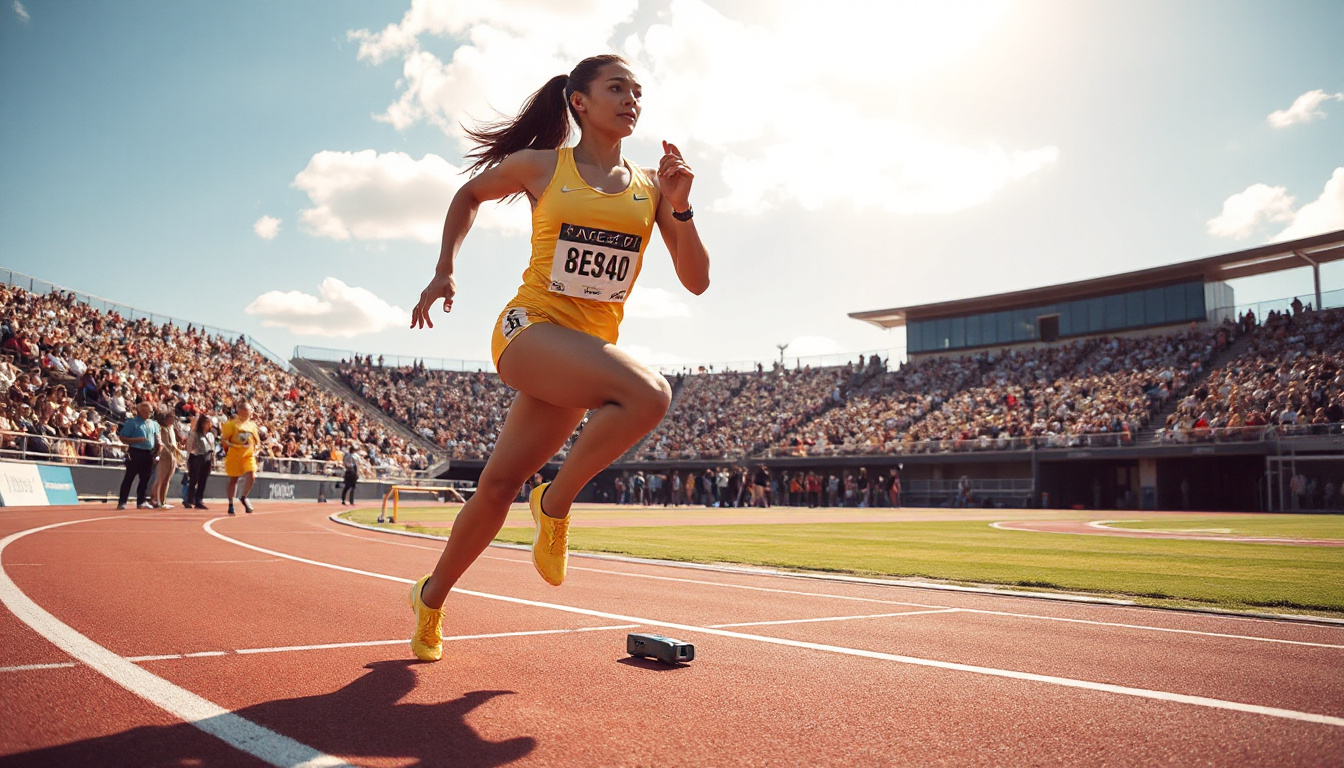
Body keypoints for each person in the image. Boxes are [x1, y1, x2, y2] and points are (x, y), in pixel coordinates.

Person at [405, 54, 710, 663]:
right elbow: (468, 195)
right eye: (616, 88)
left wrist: (680, 205)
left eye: (638, 92)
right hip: (529, 331)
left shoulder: (653, 188)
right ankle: (556, 503)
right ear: (579, 101)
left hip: (583, 353)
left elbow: (697, 281)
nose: (631, 100)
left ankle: (430, 599)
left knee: (494, 488)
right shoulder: (544, 167)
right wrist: (444, 270)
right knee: (649, 393)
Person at [115, 400, 159, 510]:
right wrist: (136, 440)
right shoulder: (132, 422)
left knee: (145, 479)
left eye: (151, 411)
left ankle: (141, 501)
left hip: (149, 453)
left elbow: (157, 438)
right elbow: (122, 437)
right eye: (149, 411)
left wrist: (158, 448)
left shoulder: (154, 424)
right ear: (141, 411)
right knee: (129, 477)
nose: (151, 413)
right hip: (135, 452)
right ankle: (122, 502)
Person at [221, 400, 261, 515]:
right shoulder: (231, 424)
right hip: (234, 455)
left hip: (248, 455)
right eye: (248, 410)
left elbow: (258, 442)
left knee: (252, 475)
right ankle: (230, 503)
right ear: (241, 411)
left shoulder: (252, 425)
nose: (251, 412)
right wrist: (232, 445)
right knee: (233, 480)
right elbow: (223, 440)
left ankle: (244, 497)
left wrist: (256, 450)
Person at [150, 410, 182, 509]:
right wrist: (177, 451)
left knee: (166, 479)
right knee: (162, 479)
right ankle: (157, 500)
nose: (173, 420)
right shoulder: (163, 429)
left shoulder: (170, 428)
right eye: (172, 418)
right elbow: (166, 444)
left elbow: (173, 443)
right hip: (165, 456)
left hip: (171, 456)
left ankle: (161, 500)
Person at [184, 412, 216, 510]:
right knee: (194, 479)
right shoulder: (194, 434)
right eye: (208, 422)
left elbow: (213, 448)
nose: (210, 425)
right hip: (196, 457)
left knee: (203, 480)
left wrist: (213, 460)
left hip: (207, 458)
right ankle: (189, 499)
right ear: (203, 424)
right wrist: (187, 460)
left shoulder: (210, 435)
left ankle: (199, 499)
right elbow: (189, 447)